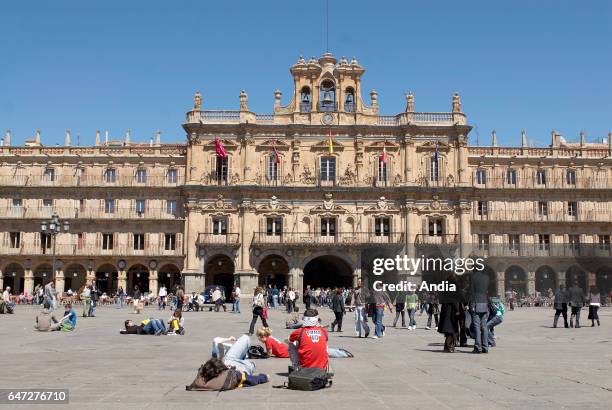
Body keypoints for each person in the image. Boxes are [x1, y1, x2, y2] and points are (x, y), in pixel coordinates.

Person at [186, 358, 268, 391]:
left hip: (226, 366)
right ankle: (248, 362)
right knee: (249, 362)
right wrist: (264, 377)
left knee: (231, 359)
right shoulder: (232, 375)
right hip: (242, 369)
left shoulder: (201, 379)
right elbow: (252, 379)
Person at [437, 274, 460, 352]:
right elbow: (454, 300)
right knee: (451, 329)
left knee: (448, 329)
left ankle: (447, 347)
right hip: (451, 310)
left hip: (445, 309)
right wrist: (457, 310)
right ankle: (450, 347)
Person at [469, 269, 490, 354]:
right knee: (484, 327)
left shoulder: (473, 277)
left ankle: (478, 347)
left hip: (476, 303)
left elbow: (472, 292)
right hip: (484, 302)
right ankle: (485, 347)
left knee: (477, 327)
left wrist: (472, 305)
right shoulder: (487, 277)